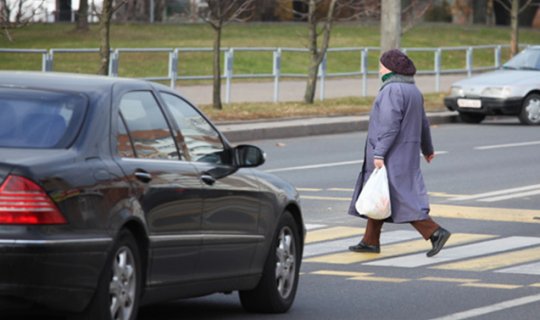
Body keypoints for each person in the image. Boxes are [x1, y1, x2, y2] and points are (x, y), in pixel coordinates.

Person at [348, 49, 451, 257]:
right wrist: (427, 149)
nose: (379, 69)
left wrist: (379, 153)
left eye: (381, 65)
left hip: (391, 154)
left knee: (398, 196)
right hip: (406, 153)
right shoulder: (413, 90)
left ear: (389, 68)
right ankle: (370, 241)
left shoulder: (392, 90)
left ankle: (435, 232)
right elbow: (423, 123)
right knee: (381, 194)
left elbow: (389, 125)